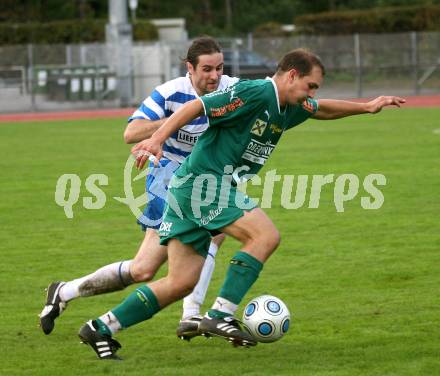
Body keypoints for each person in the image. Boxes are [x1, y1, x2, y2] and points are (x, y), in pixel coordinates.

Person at [77, 48, 405, 360]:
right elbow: (196, 108)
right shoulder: (257, 93)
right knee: (264, 236)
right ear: (292, 75)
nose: (312, 94)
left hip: (192, 189)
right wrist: (158, 139)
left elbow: (322, 109)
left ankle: (101, 327)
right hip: (204, 184)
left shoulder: (289, 105)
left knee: (180, 283)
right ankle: (220, 313)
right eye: (310, 86)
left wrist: (366, 107)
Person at [39, 36, 239, 340]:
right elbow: (130, 132)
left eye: (220, 68)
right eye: (207, 69)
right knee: (215, 230)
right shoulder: (170, 92)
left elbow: (267, 94)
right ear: (190, 68)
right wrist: (177, 120)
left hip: (202, 181)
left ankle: (64, 291)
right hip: (168, 181)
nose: (214, 76)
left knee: (143, 270)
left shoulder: (229, 89)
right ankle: (192, 314)